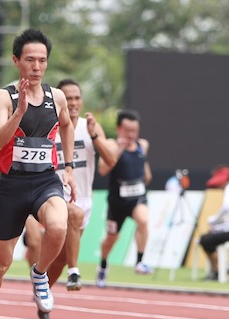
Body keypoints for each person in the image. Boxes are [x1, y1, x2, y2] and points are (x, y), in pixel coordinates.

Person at [0, 28, 76, 319]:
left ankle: (39, 274)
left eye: (42, 60)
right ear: (16, 61)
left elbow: (65, 124)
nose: (36, 66)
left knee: (60, 226)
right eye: (30, 60)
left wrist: (69, 165)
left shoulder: (56, 97)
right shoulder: (3, 97)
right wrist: (19, 111)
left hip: (46, 180)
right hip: (13, 186)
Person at [22, 79, 117, 304]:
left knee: (60, 258)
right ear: (58, 100)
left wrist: (95, 136)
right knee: (70, 217)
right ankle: (74, 271)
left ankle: (43, 293)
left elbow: (110, 160)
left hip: (84, 199)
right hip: (52, 197)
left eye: (77, 98)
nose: (73, 103)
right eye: (69, 98)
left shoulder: (89, 126)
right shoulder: (47, 128)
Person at [96, 109, 153, 288]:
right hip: (117, 202)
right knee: (112, 238)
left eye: (134, 131)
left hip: (137, 197)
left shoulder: (143, 145)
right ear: (118, 129)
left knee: (143, 220)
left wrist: (144, 178)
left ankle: (139, 261)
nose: (131, 135)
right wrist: (119, 150)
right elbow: (103, 170)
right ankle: (103, 264)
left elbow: (145, 172)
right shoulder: (112, 145)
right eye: (127, 130)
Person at [199, 165, 229, 281]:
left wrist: (214, 220)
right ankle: (221, 268)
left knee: (206, 239)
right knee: (210, 237)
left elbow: (228, 207)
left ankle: (218, 270)